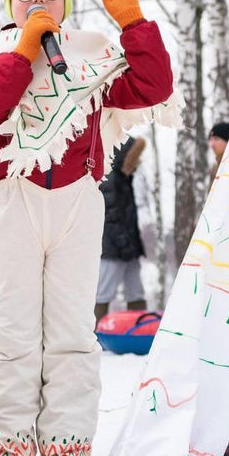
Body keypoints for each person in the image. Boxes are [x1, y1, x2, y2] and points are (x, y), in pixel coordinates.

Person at [0, 0, 178, 456]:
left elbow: (151, 88)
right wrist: (26, 48)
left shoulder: (91, 54)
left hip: (77, 197)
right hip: (11, 199)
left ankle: (67, 454)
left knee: (74, 333)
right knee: (12, 333)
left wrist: (133, 24)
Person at [95, 136, 148, 325]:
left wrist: (132, 246)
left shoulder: (124, 178)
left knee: (136, 290)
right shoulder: (110, 179)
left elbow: (127, 217)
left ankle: (140, 328)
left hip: (127, 246)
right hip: (113, 247)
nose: (137, 162)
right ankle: (94, 333)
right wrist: (125, 246)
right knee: (104, 291)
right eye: (135, 157)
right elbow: (111, 218)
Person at [209, 122, 229, 187]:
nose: (212, 144)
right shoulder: (215, 168)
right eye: (211, 140)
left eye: (216, 139)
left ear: (228, 140)